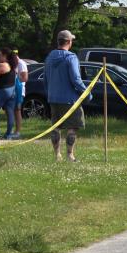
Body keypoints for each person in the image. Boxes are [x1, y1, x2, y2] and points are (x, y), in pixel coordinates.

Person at [44, 29, 88, 161]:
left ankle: (57, 155)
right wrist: (86, 93)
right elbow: (76, 79)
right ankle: (70, 155)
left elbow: (45, 79)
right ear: (69, 41)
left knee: (55, 127)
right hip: (70, 99)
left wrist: (49, 94)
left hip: (53, 98)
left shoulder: (49, 57)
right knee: (72, 127)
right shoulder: (71, 57)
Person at [0, 48, 18, 139]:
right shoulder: (12, 65)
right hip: (12, 90)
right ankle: (8, 134)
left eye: (0, 55)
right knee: (10, 113)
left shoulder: (1, 65)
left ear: (5, 56)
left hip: (3, 90)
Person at [13, 51, 28, 138]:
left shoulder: (21, 63)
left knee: (17, 110)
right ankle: (14, 130)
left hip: (19, 89)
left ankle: (18, 131)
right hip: (13, 89)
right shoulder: (13, 63)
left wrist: (15, 78)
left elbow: (25, 78)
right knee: (13, 110)